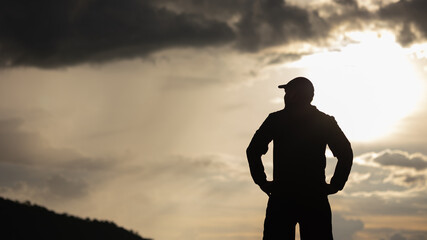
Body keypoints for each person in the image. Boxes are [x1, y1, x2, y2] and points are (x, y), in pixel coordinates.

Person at [246, 77, 353, 240]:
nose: (285, 96)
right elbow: (346, 153)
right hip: (314, 197)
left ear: (294, 95)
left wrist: (262, 181)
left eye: (287, 92)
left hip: (283, 197)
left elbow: (253, 150)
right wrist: (335, 184)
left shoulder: (276, 120)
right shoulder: (325, 121)